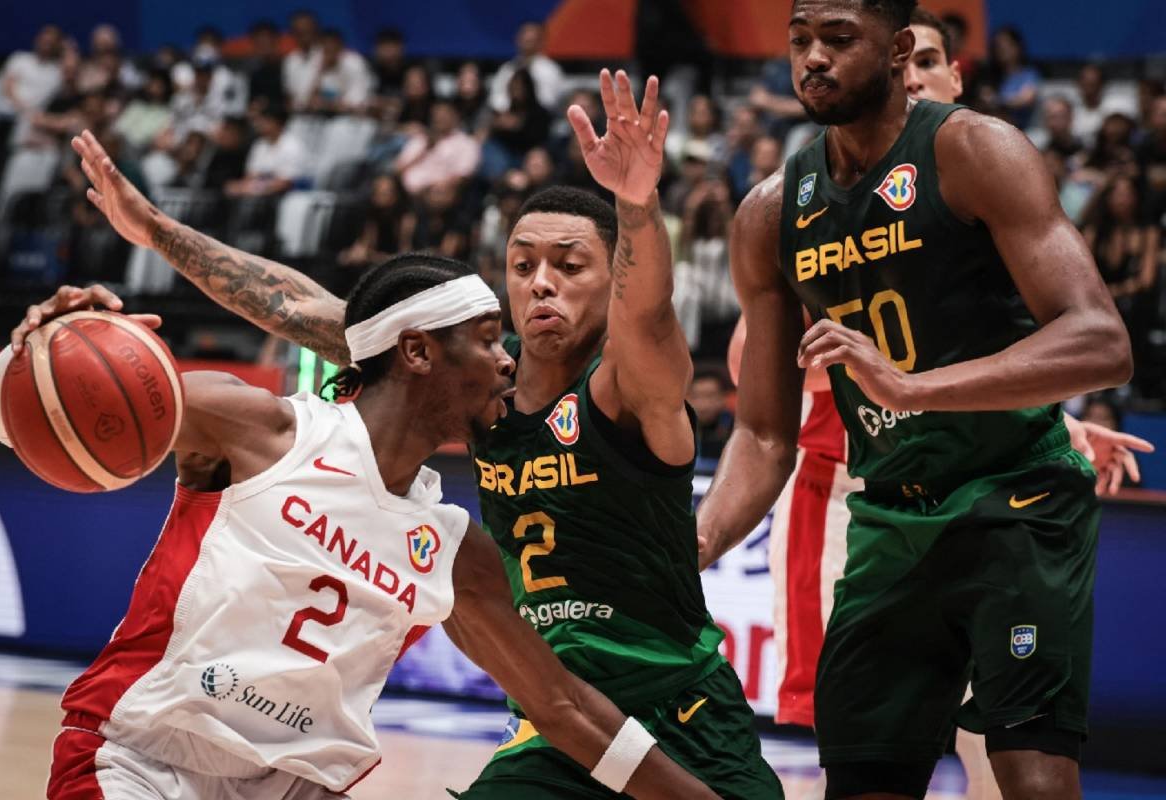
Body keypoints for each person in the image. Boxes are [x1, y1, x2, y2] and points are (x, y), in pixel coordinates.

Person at [80, 70, 784, 799]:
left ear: (612, 281)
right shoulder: (477, 383)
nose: (540, 281)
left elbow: (647, 316)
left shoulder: (626, 387)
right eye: (522, 266)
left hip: (683, 707)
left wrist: (636, 205)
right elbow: (300, 306)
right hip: (559, 714)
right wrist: (157, 232)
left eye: (569, 266)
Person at [701, 1, 1135, 798]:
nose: (813, 59)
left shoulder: (974, 150)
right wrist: (690, 546)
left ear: (899, 49)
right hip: (890, 516)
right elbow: (764, 435)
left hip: (1017, 499)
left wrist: (911, 388)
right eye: (800, 41)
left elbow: (1101, 340)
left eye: (837, 38)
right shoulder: (769, 211)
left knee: (1032, 779)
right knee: (862, 780)